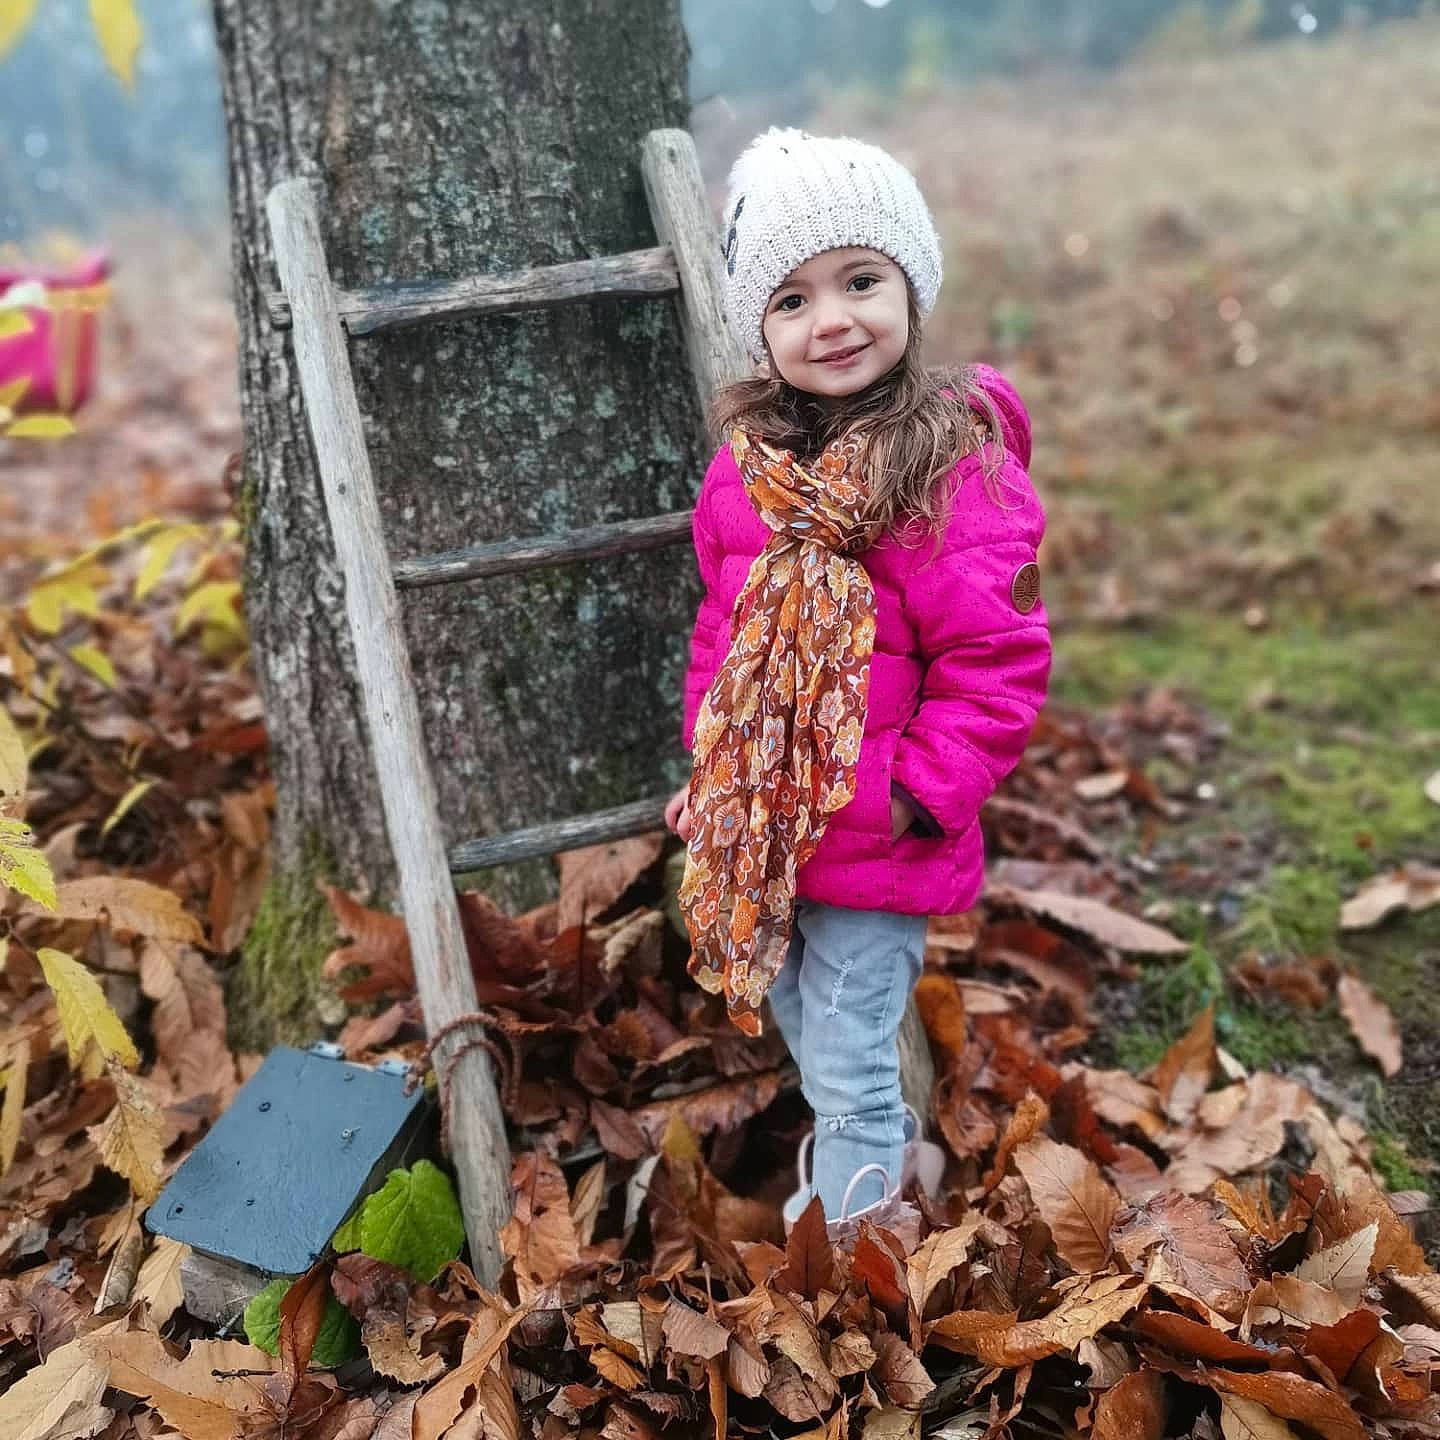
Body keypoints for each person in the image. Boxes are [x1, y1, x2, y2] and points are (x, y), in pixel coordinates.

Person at [663, 128, 1051, 1240]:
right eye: (790, 300)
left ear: (911, 287)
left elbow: (997, 663)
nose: (830, 319)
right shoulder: (749, 475)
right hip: (772, 824)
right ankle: (900, 1171)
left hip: (883, 827)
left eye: (860, 281)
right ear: (761, 328)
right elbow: (724, 636)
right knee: (792, 1004)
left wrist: (909, 792)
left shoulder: (951, 472)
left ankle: (856, 1255)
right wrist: (717, 769)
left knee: (845, 1050)